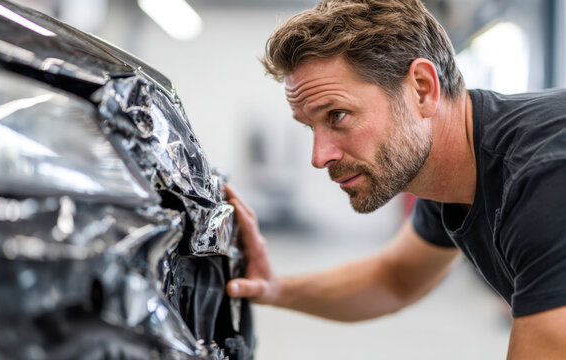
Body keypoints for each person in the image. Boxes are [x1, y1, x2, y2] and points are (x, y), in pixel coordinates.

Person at [223, 0, 566, 358]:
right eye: (311, 127)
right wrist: (274, 288)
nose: (319, 156)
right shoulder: (452, 164)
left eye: (337, 115)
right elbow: (396, 279)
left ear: (421, 88)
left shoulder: (544, 177)